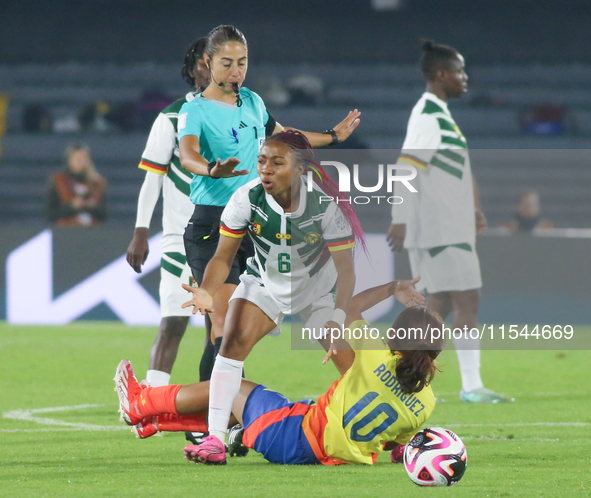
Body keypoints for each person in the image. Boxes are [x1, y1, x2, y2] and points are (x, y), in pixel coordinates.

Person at [177, 25, 361, 368]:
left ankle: (212, 415)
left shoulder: (252, 102)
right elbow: (187, 155)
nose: (236, 72)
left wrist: (332, 136)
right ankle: (214, 419)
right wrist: (211, 170)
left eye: (243, 63)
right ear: (208, 61)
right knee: (223, 328)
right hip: (213, 225)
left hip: (256, 223)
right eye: (227, 63)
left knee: (237, 333)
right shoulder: (194, 111)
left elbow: (286, 137)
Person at [178, 130, 365, 465]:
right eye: (262, 160)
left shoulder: (325, 206)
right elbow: (222, 257)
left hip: (318, 292)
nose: (265, 169)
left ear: (300, 170)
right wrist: (207, 289)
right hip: (265, 283)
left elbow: (347, 271)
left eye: (277, 163)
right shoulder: (246, 198)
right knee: (230, 346)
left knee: (354, 369)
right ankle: (214, 440)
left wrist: (338, 318)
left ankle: (393, 438)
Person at [114, 277, 439, 466]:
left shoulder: (374, 355)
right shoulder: (426, 403)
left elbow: (350, 307)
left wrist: (394, 286)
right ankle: (155, 422)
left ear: (396, 336)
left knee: (231, 386)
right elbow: (398, 449)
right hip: (322, 449)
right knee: (244, 406)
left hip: (293, 436)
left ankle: (140, 404)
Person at [386, 39, 513, 404]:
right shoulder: (428, 115)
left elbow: (450, 170)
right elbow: (406, 166)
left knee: (435, 307)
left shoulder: (440, 115)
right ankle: (469, 385)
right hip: (439, 229)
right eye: (459, 71)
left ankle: (398, 373)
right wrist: (400, 218)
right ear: (441, 75)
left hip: (449, 227)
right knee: (465, 300)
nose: (465, 77)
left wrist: (471, 208)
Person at [126, 38, 215, 446]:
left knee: (222, 330)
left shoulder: (237, 112)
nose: (211, 68)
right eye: (205, 62)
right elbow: (153, 176)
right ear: (194, 67)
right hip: (182, 239)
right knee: (174, 324)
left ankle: (209, 420)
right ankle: (146, 403)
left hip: (228, 238)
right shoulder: (172, 118)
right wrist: (141, 230)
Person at [46, 142, 107, 226]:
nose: (80, 161)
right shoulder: (58, 181)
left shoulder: (97, 182)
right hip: (66, 230)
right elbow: (49, 214)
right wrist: (71, 207)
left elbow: (105, 214)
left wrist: (92, 206)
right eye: (77, 158)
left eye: (83, 158)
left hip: (92, 230)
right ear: (69, 160)